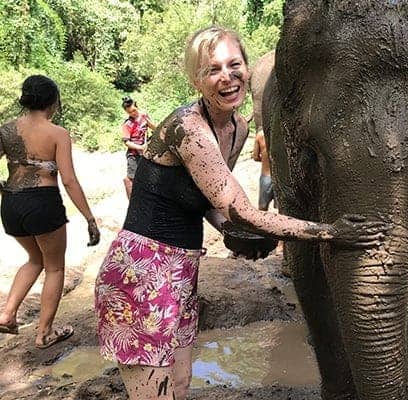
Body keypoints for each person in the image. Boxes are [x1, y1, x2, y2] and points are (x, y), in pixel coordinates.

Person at [94, 26, 389, 400]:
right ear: (196, 80)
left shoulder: (238, 127)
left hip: (182, 270)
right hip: (141, 272)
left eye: (235, 65)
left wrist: (229, 232)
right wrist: (331, 232)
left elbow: (209, 202)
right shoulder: (189, 129)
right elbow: (244, 211)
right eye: (212, 69)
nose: (227, 77)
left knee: (180, 385)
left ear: (249, 69)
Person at [0, 75, 100, 349]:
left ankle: (7, 314)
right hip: (42, 203)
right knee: (54, 267)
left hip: (11, 203)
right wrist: (90, 218)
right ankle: (44, 334)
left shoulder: (6, 129)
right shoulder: (57, 133)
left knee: (35, 258)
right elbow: (68, 180)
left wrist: (3, 190)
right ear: (52, 101)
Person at [121, 96, 156, 198]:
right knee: (132, 179)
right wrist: (141, 147)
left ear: (136, 106)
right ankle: (132, 203)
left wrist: (150, 123)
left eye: (134, 110)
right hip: (134, 154)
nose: (133, 113)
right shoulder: (127, 124)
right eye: (130, 112)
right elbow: (127, 142)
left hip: (146, 153)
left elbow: (154, 127)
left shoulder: (144, 116)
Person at [252, 129, 274, 211]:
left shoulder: (260, 135)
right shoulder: (282, 132)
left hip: (266, 176)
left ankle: (263, 223)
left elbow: (255, 157)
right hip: (281, 177)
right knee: (283, 210)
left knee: (262, 208)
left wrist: (266, 160)